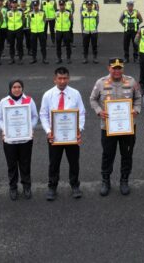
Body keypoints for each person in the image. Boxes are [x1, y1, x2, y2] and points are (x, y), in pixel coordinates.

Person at [90, 58, 143, 196]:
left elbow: (138, 98)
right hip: (107, 127)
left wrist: (136, 110)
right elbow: (93, 99)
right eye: (114, 68)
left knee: (127, 154)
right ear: (109, 68)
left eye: (119, 68)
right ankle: (105, 181)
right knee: (108, 155)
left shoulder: (131, 81)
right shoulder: (101, 83)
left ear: (123, 68)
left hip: (128, 127)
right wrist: (99, 111)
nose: (117, 71)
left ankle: (124, 180)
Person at [39, 66, 86, 201]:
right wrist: (48, 131)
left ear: (68, 79)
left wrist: (79, 129)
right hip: (54, 136)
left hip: (72, 135)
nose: (62, 81)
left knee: (74, 162)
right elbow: (43, 115)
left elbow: (82, 113)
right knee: (54, 163)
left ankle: (75, 185)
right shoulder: (48, 95)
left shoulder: (75, 93)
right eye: (59, 78)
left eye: (65, 78)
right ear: (54, 79)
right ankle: (52, 187)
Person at [0, 79, 39, 201]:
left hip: (25, 139)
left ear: (22, 88)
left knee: (25, 164)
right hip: (9, 140)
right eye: (14, 87)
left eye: (19, 87)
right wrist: (4, 129)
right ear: (10, 88)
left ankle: (27, 186)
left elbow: (35, 117)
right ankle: (13, 187)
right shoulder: (4, 102)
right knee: (12, 165)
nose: (17, 89)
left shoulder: (29, 100)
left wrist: (30, 128)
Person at [5, 0, 25, 64]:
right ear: (11, 4)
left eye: (15, 3)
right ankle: (12, 58)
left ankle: (20, 58)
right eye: (13, 3)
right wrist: (8, 26)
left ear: (17, 4)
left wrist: (21, 26)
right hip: (10, 30)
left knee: (19, 44)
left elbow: (23, 19)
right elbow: (6, 20)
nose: (14, 4)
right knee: (11, 45)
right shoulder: (8, 12)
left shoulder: (20, 11)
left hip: (19, 29)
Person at [54, 0, 73, 64]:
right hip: (58, 31)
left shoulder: (68, 12)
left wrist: (68, 27)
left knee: (68, 45)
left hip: (66, 31)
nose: (62, 6)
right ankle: (59, 58)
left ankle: (68, 58)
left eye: (63, 5)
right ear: (59, 5)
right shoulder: (56, 12)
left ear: (65, 5)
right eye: (60, 5)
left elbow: (71, 20)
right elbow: (55, 20)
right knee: (58, 45)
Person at [80, 0, 99, 64]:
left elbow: (97, 21)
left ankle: (95, 58)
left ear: (92, 5)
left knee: (94, 45)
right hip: (86, 31)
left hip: (94, 31)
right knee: (85, 45)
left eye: (90, 5)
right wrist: (83, 29)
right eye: (88, 5)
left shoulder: (95, 12)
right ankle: (85, 58)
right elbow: (81, 22)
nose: (89, 6)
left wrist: (95, 27)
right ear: (86, 5)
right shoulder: (83, 12)